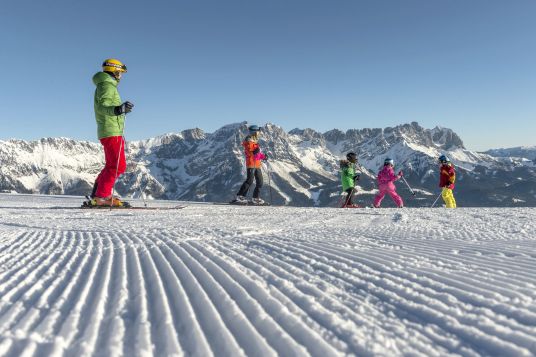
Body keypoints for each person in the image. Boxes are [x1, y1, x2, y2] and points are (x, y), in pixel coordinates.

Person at [89, 58, 134, 207]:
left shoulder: (106, 85)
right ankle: (102, 196)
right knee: (118, 166)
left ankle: (98, 193)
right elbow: (103, 106)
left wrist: (120, 111)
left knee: (111, 165)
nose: (121, 76)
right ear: (114, 71)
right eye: (120, 73)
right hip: (111, 131)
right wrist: (117, 109)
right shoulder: (107, 86)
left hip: (110, 130)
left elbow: (106, 106)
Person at [233, 125, 267, 205]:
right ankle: (240, 196)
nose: (259, 133)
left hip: (257, 165)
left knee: (260, 182)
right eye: (258, 132)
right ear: (254, 132)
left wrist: (264, 156)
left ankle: (255, 198)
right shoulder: (248, 141)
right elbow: (249, 152)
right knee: (249, 181)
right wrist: (254, 152)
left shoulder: (255, 141)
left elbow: (257, 154)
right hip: (251, 164)